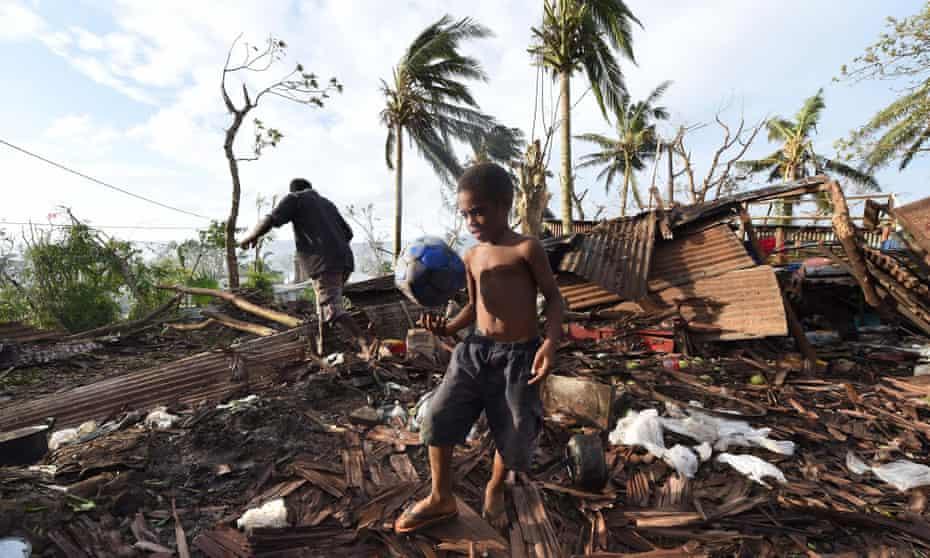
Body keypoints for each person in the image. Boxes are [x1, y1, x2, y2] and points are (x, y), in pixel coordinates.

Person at [394, 163, 564, 533]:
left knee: (514, 429)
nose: (472, 220)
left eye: (479, 210)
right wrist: (447, 328)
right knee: (438, 416)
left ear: (505, 206)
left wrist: (549, 342)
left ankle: (495, 487)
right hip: (474, 351)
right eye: (465, 214)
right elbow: (473, 307)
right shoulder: (470, 256)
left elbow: (553, 299)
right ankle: (441, 497)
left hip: (519, 357)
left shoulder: (526, 248)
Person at [238, 178, 373, 358]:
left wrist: (251, 236)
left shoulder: (295, 199)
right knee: (323, 308)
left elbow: (271, 219)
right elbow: (348, 233)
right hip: (345, 261)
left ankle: (367, 345)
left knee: (332, 308)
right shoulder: (327, 204)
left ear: (295, 190)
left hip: (325, 264)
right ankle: (324, 351)